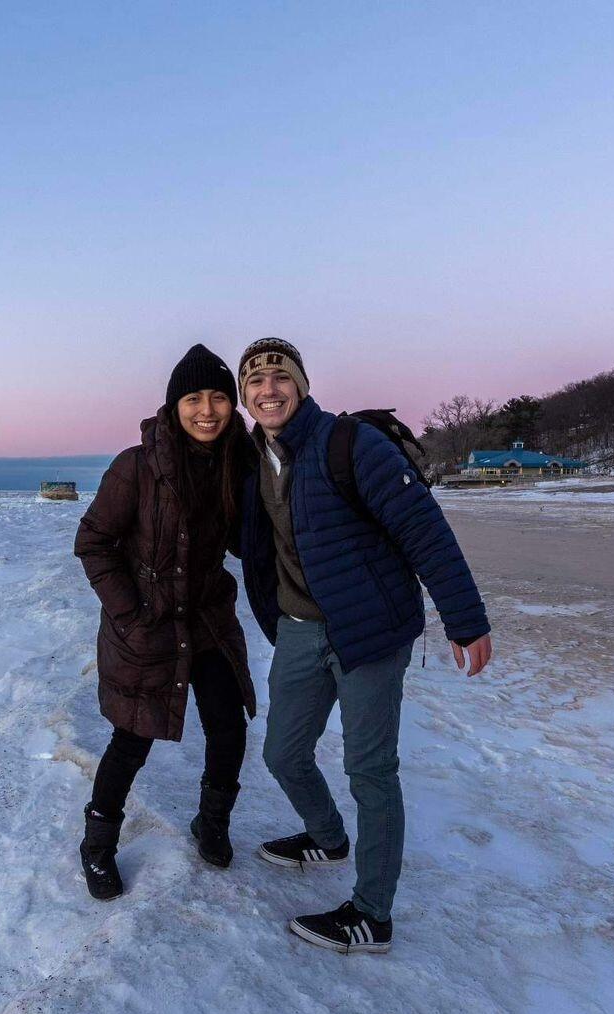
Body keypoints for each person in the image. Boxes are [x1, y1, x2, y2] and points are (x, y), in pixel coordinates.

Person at [236, 337, 493, 953]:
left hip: (370, 631)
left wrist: (466, 617)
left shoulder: (352, 444)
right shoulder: (252, 459)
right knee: (282, 752)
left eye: (280, 378)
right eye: (256, 383)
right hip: (300, 629)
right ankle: (326, 836)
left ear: (300, 385)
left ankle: (372, 913)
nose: (268, 390)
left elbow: (423, 529)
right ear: (245, 397)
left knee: (370, 771)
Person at [72, 344, 258, 900]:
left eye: (220, 397)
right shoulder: (137, 466)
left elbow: (252, 541)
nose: (208, 409)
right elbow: (94, 542)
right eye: (194, 398)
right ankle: (97, 846)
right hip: (148, 626)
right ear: (174, 406)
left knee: (229, 727)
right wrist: (129, 613)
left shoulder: (239, 462)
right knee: (132, 736)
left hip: (207, 619)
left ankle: (212, 823)